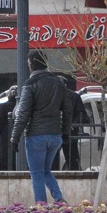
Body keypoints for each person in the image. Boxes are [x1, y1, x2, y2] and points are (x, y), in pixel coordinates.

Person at [10, 50, 72, 204]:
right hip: (55, 135)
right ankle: (58, 199)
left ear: (31, 64)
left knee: (37, 173)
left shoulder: (30, 84)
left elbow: (22, 114)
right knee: (45, 171)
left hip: (36, 135)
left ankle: (41, 206)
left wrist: (14, 138)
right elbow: (68, 110)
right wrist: (64, 133)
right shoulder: (59, 83)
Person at [0, 85, 17, 170]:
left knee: (7, 156)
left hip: (6, 135)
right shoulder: (23, 106)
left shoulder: (3, 106)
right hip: (19, 133)